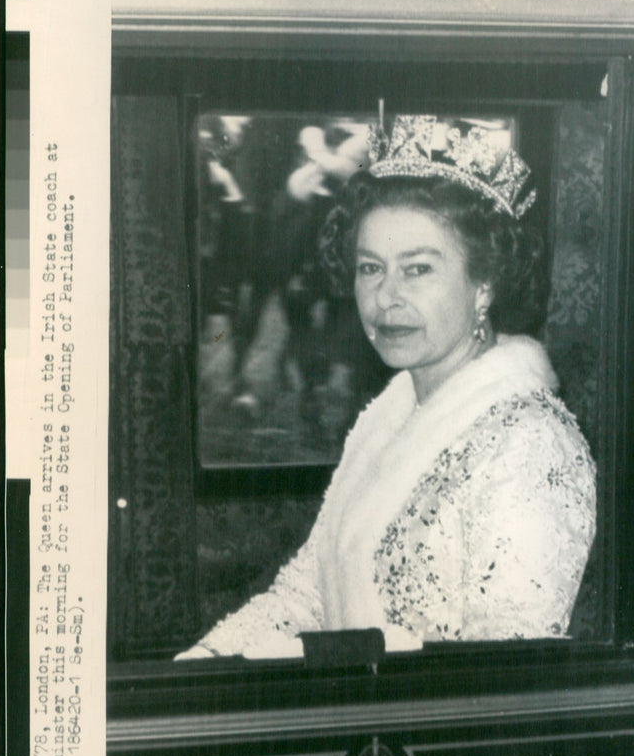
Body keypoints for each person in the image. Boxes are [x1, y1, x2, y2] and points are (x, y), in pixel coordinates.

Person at [177, 114, 596, 660]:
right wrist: (207, 662)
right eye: (371, 268)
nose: (386, 297)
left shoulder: (530, 446)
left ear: (484, 284)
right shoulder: (389, 413)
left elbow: (508, 682)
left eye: (418, 270)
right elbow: (307, 593)